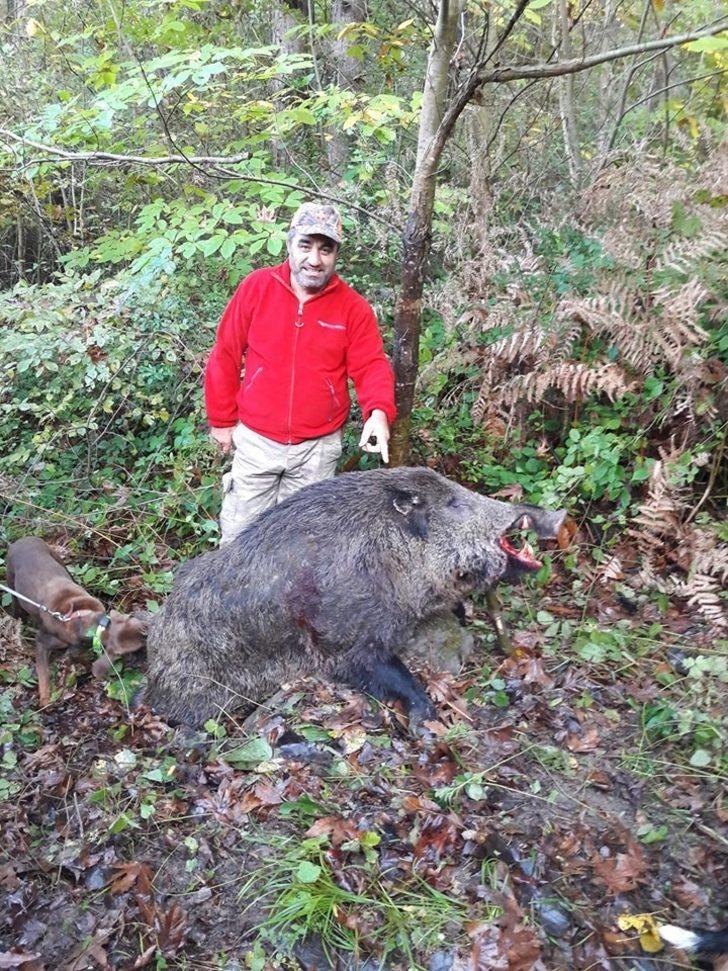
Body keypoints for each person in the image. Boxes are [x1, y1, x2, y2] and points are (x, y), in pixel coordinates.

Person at [205, 201, 397, 545]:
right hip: (257, 442)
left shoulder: (352, 308)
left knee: (303, 548)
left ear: (336, 255)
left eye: (326, 249)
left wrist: (378, 412)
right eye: (305, 246)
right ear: (290, 244)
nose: (314, 259)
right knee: (239, 541)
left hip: (317, 450)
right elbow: (225, 353)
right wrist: (221, 420)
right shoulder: (257, 288)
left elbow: (371, 364)